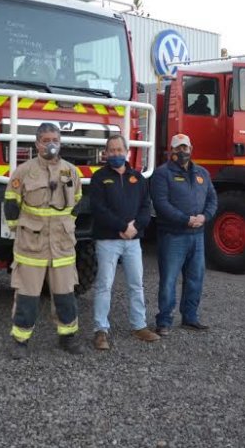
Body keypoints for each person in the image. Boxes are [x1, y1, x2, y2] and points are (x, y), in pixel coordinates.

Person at [4, 122, 84, 359]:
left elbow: (77, 201)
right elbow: (11, 203)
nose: (51, 144)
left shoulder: (71, 171)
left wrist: (67, 225)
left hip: (62, 246)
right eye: (46, 140)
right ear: (37, 143)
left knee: (65, 296)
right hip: (32, 245)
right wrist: (19, 231)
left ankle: (67, 337)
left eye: (55, 140)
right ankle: (20, 340)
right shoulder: (24, 171)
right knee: (27, 297)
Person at [89, 135, 159, 351]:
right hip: (108, 240)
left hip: (133, 242)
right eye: (112, 150)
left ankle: (139, 326)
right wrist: (123, 227)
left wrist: (135, 227)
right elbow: (99, 210)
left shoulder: (138, 178)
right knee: (104, 286)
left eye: (120, 149)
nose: (116, 153)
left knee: (136, 284)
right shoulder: (99, 178)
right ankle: (101, 330)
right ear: (106, 153)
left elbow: (146, 208)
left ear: (127, 151)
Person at [150, 134, 218, 336]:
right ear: (171, 150)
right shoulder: (162, 174)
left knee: (195, 278)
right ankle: (164, 321)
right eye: (178, 148)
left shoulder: (202, 173)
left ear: (191, 148)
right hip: (173, 236)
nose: (182, 152)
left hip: (197, 235)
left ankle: (190, 318)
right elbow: (161, 204)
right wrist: (185, 219)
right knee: (169, 280)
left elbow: (212, 199)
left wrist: (204, 217)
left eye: (185, 147)